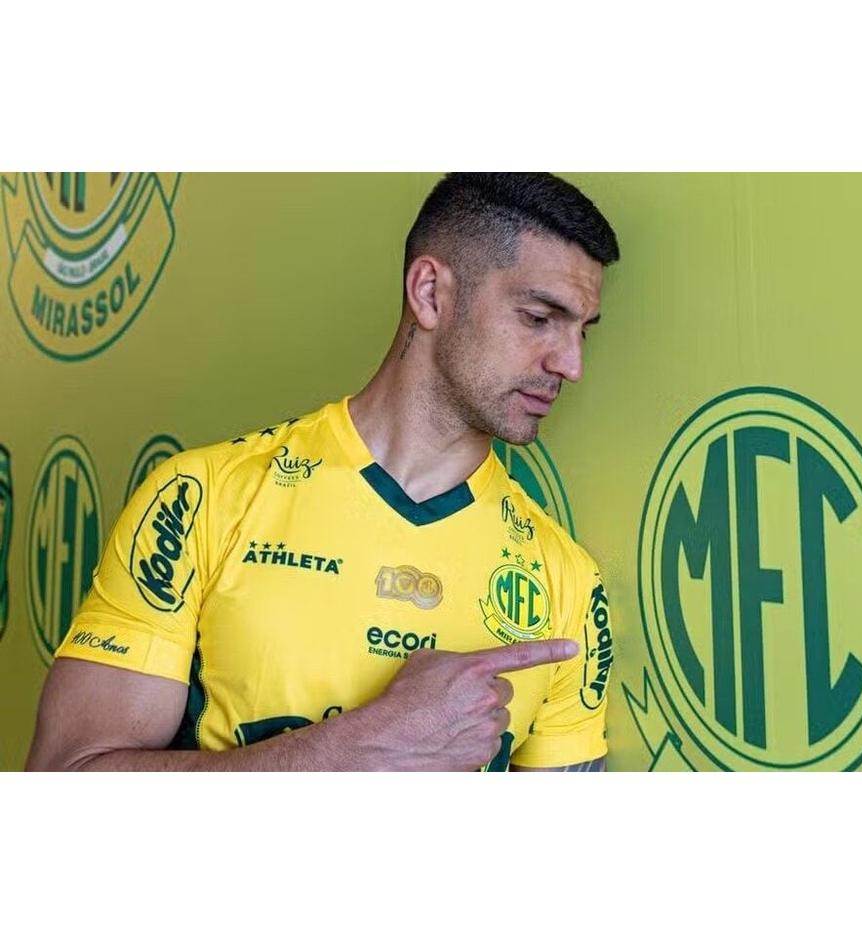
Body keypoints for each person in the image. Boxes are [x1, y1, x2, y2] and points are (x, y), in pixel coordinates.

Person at [25, 173, 620, 772]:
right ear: (431, 293)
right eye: (538, 318)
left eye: (583, 331)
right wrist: (363, 747)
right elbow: (66, 775)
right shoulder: (205, 498)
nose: (571, 365)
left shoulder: (564, 578)